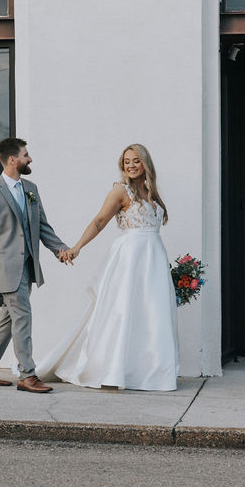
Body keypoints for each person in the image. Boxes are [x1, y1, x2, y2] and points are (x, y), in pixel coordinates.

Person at [37, 143, 179, 391]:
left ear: (145, 163)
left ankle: (151, 372)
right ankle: (114, 369)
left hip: (153, 259)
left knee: (153, 313)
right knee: (122, 310)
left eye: (136, 160)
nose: (131, 165)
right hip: (130, 257)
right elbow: (99, 220)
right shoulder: (120, 191)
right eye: (126, 162)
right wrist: (77, 246)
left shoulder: (151, 192)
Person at [0, 137, 70, 393]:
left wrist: (61, 249)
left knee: (10, 318)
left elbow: (42, 227)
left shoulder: (31, 189)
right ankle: (27, 374)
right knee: (23, 318)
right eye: (26, 155)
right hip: (5, 268)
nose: (30, 159)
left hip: (27, 267)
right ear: (13, 159)